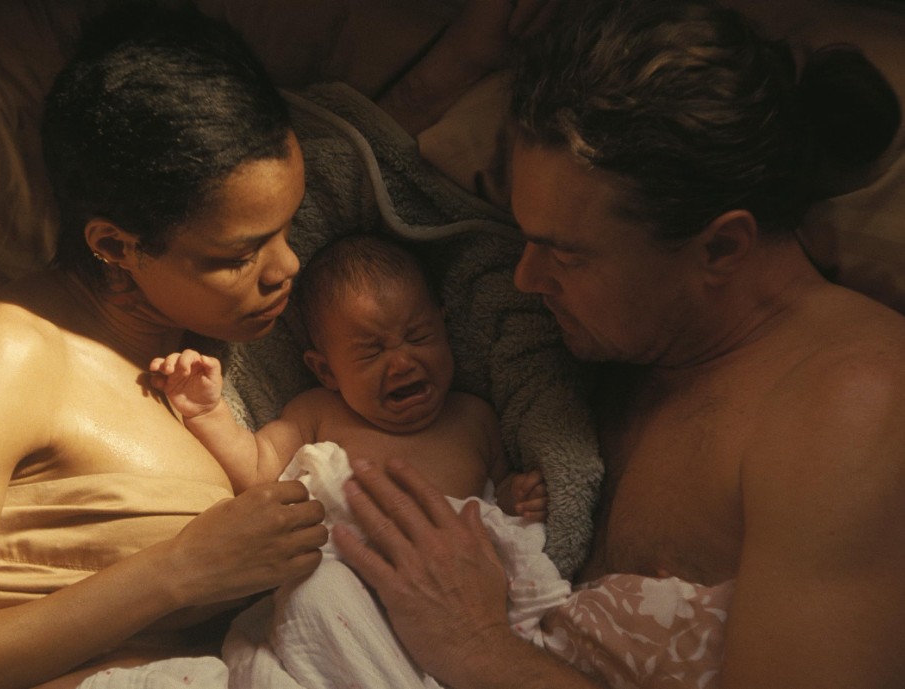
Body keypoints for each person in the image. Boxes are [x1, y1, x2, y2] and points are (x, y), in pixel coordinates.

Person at [331, 1, 905, 688]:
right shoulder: (608, 343)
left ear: (721, 247)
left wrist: (477, 644)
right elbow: (347, 190)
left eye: (565, 254)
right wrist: (459, 58)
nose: (525, 277)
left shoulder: (854, 406)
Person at [0, 5, 329, 688]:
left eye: (288, 226)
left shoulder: (204, 360)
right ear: (115, 245)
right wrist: (180, 569)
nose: (287, 266)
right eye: (239, 256)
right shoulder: (16, 353)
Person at [149, 232, 548, 519]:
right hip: (349, 578)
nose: (402, 363)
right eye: (372, 352)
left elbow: (497, 497)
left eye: (418, 337)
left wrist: (517, 497)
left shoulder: (474, 417)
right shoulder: (319, 413)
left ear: (445, 328)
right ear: (326, 371)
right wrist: (207, 412)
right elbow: (256, 471)